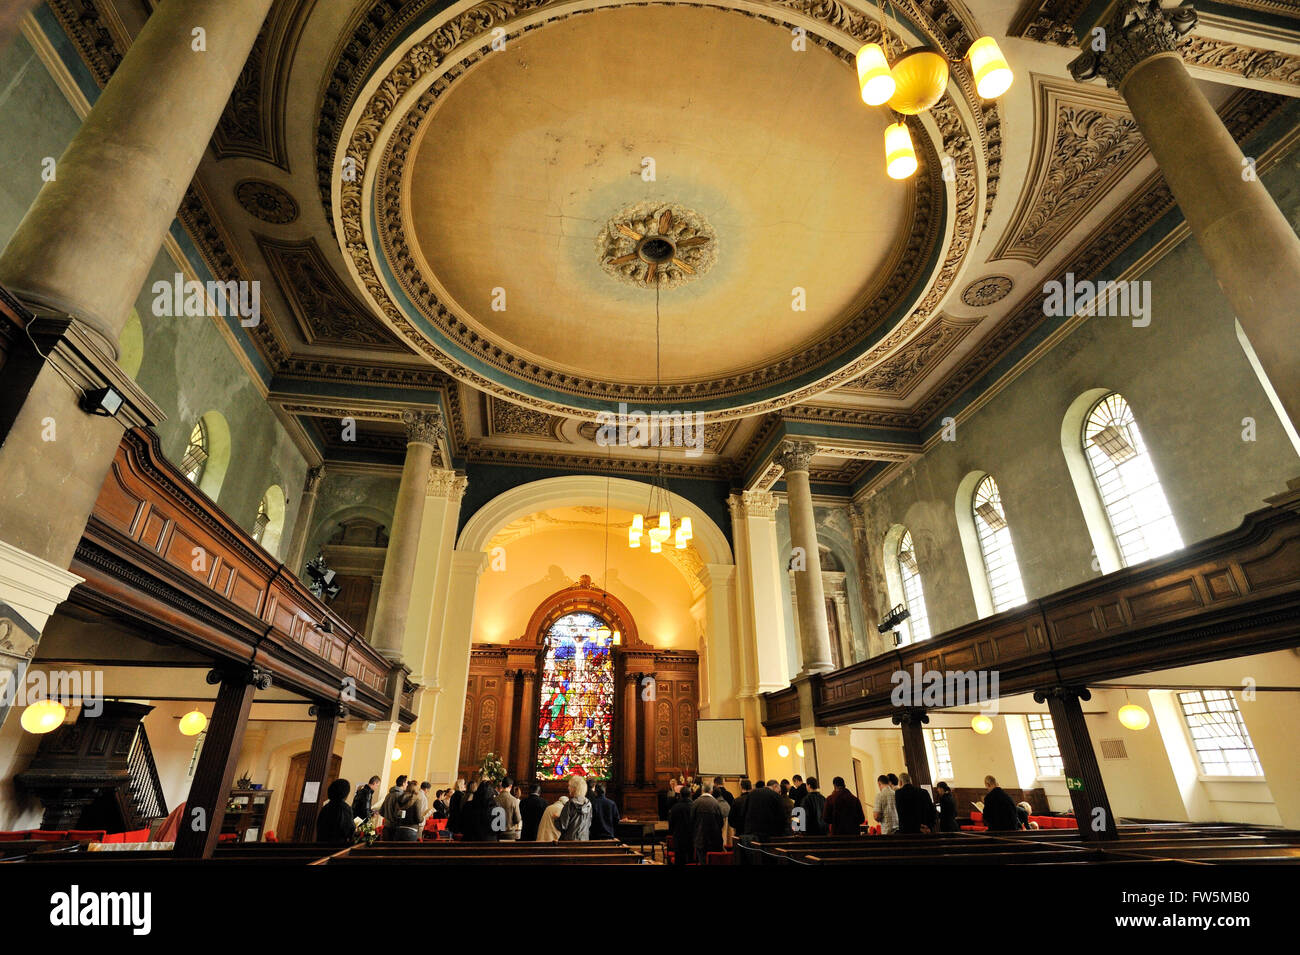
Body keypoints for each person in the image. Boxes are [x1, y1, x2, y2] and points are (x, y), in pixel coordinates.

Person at [317, 778, 356, 845]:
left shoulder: (325, 807)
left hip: (322, 843)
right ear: (345, 793)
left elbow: (319, 827)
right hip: (338, 846)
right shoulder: (345, 808)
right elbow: (349, 830)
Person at [556, 774, 593, 841]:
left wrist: (556, 819)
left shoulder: (570, 804)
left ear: (575, 788)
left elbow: (563, 826)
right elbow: (589, 824)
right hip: (584, 840)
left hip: (570, 841)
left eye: (569, 786)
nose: (568, 788)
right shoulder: (588, 804)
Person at [667, 790, 694, 865]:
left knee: (679, 859)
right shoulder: (693, 806)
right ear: (690, 795)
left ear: (680, 795)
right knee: (690, 859)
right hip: (691, 837)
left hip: (679, 837)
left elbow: (671, 823)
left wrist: (672, 832)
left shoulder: (675, 807)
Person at [496, 775, 522, 840]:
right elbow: (517, 819)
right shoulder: (514, 800)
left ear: (502, 785)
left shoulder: (495, 799)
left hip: (497, 834)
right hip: (510, 834)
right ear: (511, 786)